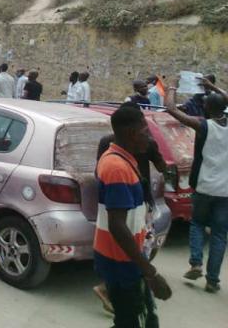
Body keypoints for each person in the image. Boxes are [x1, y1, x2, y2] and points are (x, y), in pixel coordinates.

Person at [93, 104, 172, 325]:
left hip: (128, 256)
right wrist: (150, 272)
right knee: (132, 319)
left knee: (136, 317)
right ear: (131, 133)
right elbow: (117, 225)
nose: (149, 138)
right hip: (121, 260)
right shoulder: (117, 167)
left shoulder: (124, 159)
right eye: (145, 131)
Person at [165, 79, 228, 294]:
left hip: (204, 186)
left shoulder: (203, 125)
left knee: (198, 224)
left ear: (206, 107)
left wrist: (172, 86)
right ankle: (213, 280)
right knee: (219, 235)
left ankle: (196, 263)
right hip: (226, 190)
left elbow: (171, 108)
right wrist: (213, 88)